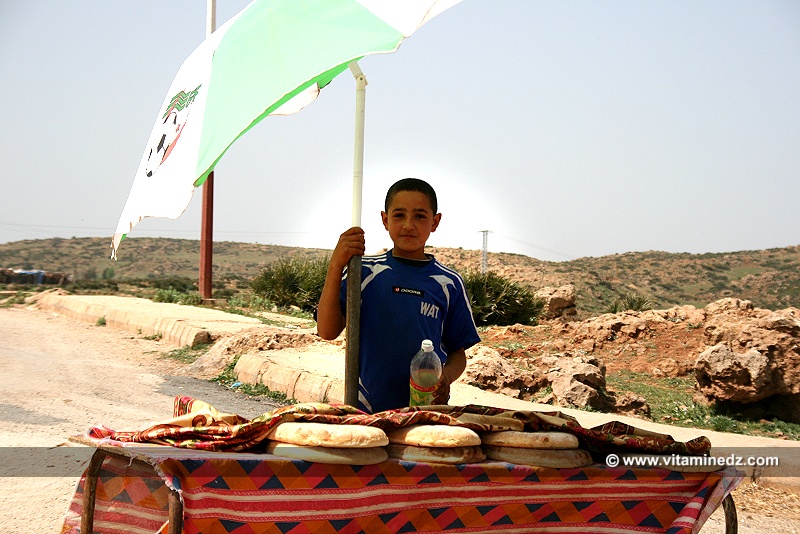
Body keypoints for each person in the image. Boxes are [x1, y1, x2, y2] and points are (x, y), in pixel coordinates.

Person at [317, 178, 481, 413]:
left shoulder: (449, 283)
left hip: (425, 412)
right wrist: (336, 265)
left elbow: (458, 354)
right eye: (399, 215)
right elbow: (327, 331)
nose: (408, 225)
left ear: (435, 222)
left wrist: (446, 377)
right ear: (385, 220)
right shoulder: (363, 272)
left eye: (420, 216)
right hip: (366, 410)